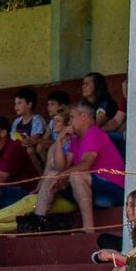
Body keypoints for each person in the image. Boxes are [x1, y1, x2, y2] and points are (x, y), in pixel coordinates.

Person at [32, 100, 126, 233]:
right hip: (91, 188)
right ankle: (39, 221)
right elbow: (61, 167)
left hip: (112, 190)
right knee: (52, 174)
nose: (69, 122)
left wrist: (62, 176)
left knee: (76, 175)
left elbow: (86, 164)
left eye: (72, 117)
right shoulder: (76, 139)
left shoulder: (94, 133)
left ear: (84, 117)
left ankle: (88, 227)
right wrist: (59, 141)